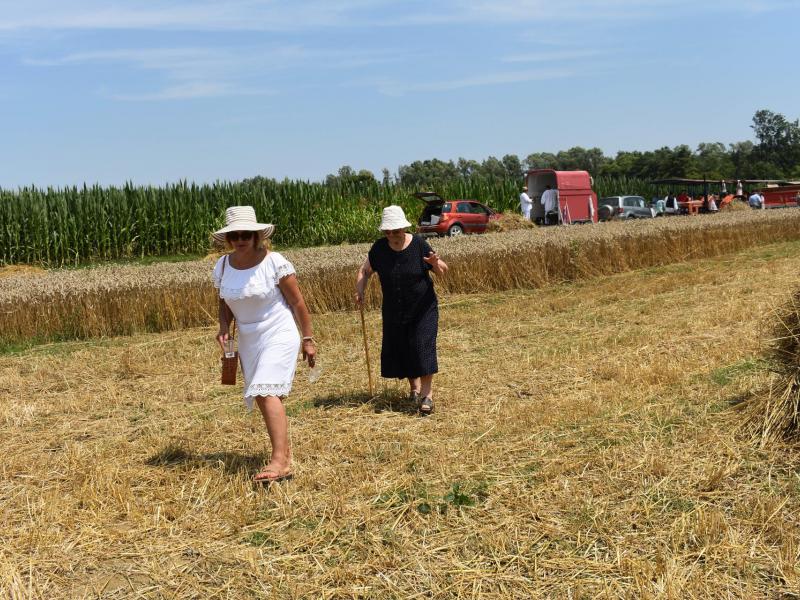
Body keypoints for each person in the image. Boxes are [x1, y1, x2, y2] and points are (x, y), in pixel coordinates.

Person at [212, 206, 316, 484]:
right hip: (248, 339)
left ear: (257, 236)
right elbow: (224, 302)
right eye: (235, 235)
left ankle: (280, 462)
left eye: (246, 234)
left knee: (265, 390)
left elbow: (297, 302)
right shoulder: (223, 266)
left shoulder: (274, 262)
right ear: (228, 238)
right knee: (264, 395)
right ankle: (284, 452)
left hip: (278, 331)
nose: (240, 239)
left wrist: (307, 339)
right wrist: (223, 327)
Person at [354, 206, 448, 415]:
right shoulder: (379, 249)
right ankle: (414, 388)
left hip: (423, 307)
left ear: (403, 228)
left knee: (422, 345)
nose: (392, 235)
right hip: (394, 308)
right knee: (404, 347)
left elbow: (443, 271)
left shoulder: (419, 244)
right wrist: (360, 289)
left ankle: (427, 395)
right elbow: (365, 270)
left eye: (395, 231)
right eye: (387, 232)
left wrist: (434, 264)